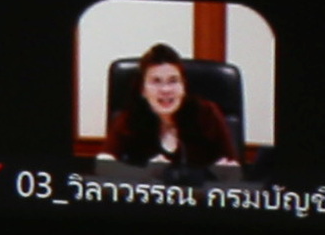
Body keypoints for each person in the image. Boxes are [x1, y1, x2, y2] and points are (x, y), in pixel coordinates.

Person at [101, 43, 243, 170]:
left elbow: (232, 166)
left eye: (173, 81)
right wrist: (144, 175)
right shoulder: (131, 118)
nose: (165, 90)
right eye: (156, 81)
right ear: (142, 90)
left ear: (184, 87)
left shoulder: (206, 114)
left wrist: (226, 172)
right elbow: (104, 164)